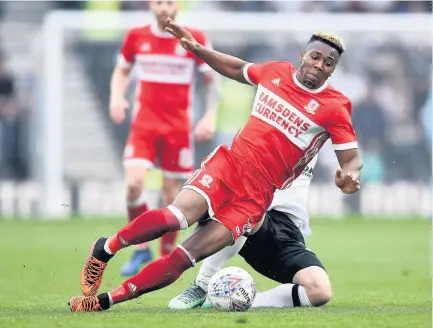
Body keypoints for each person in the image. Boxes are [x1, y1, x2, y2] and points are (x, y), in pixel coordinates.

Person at [68, 20, 362, 312]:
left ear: (333, 69)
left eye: (328, 63)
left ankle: (104, 301)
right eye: (315, 56)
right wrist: (197, 49)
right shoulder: (276, 72)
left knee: (186, 257)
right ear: (303, 55)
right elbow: (236, 68)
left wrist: (349, 176)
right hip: (229, 167)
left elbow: (350, 159)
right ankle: (105, 249)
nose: (319, 65)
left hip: (255, 199)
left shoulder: (334, 107)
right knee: (175, 218)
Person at [109, 0, 220, 276]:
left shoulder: (194, 38)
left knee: (172, 195)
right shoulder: (137, 36)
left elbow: (212, 80)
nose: (164, 8)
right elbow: (121, 71)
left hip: (177, 128)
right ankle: (142, 248)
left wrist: (209, 115)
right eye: (159, 2)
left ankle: (165, 254)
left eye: (169, 2)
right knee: (134, 186)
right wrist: (116, 97)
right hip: (144, 125)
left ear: (178, 5)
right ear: (151, 5)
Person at [169, 154, 336, 310]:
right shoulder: (269, 129)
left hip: (288, 232)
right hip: (253, 216)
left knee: (320, 291)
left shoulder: (320, 132)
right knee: (249, 210)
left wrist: (347, 172)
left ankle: (237, 299)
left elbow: (347, 154)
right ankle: (202, 285)